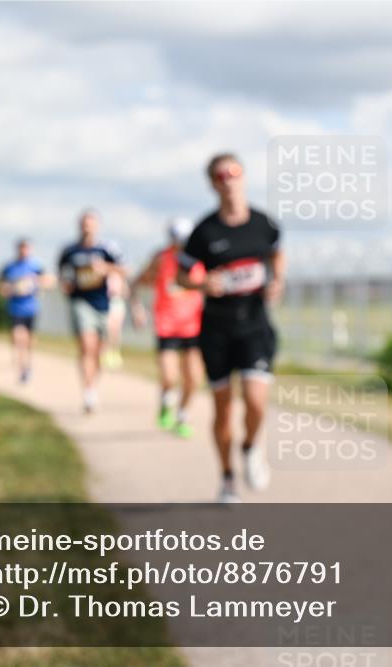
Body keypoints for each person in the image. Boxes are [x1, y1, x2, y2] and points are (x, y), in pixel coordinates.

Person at [177, 154, 286, 503]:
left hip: (255, 326)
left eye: (234, 172)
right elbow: (181, 275)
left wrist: (277, 280)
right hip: (217, 331)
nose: (229, 180)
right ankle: (226, 477)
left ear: (244, 176)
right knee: (223, 409)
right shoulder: (204, 231)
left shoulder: (264, 223)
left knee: (255, 402)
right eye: (221, 176)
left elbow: (276, 253)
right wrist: (201, 283)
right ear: (213, 184)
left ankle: (251, 446)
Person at [130, 216, 206, 439]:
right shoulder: (161, 258)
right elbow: (137, 283)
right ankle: (166, 403)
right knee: (169, 376)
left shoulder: (200, 259)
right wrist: (137, 309)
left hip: (193, 326)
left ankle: (182, 416)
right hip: (167, 326)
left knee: (194, 378)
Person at [58, 210, 126, 413]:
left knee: (98, 351)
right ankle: (88, 393)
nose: (87, 227)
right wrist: (65, 285)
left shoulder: (107, 249)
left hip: (103, 304)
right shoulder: (70, 251)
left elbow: (124, 269)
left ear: (97, 226)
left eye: (90, 223)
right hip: (80, 302)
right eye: (84, 224)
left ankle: (93, 386)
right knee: (87, 347)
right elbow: (62, 274)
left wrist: (105, 268)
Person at [0, 238, 53, 384]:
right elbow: (0, 286)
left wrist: (35, 282)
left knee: (29, 340)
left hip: (31, 308)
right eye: (21, 248)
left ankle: (28, 364)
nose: (24, 251)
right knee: (18, 337)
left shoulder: (36, 266)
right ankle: (22, 368)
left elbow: (49, 282)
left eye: (26, 248)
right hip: (15, 308)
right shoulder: (9, 267)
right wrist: (10, 289)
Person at [102, 272, 127, 370]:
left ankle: (115, 353)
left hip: (118, 304)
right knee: (108, 330)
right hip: (108, 304)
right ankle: (105, 353)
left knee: (116, 331)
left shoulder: (121, 277)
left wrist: (121, 291)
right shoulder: (106, 275)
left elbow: (126, 292)